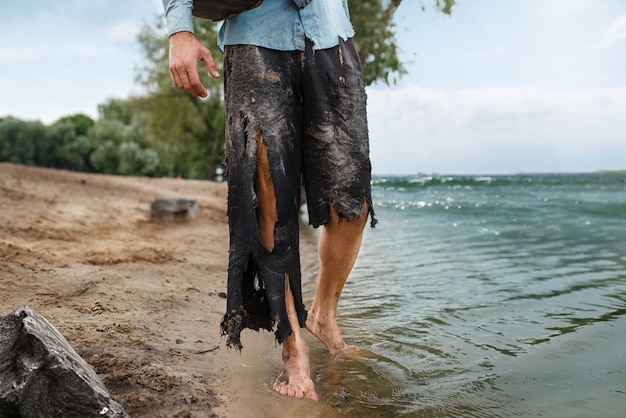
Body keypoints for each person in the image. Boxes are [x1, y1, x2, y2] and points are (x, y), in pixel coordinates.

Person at [162, 0, 376, 400]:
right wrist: (180, 29)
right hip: (255, 34)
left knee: (352, 200)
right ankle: (293, 346)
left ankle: (323, 316)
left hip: (330, 32)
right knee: (269, 194)